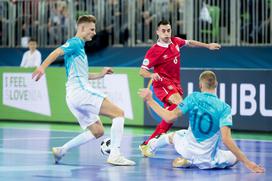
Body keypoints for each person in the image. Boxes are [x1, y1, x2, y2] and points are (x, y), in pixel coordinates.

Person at [32, 15, 135, 166]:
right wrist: (42, 67)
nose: (94, 32)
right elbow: (57, 52)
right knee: (119, 113)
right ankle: (115, 154)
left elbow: (82, 75)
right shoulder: (74, 42)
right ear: (82, 28)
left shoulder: (79, 48)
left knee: (97, 131)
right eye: (92, 29)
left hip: (73, 96)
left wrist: (100, 74)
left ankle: (62, 150)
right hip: (80, 92)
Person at [138, 71, 265, 173]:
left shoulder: (193, 97)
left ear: (200, 85)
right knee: (236, 157)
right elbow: (226, 140)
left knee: (172, 136)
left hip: (186, 149)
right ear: (216, 84)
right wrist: (248, 163)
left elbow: (169, 117)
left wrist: (150, 100)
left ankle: (150, 147)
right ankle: (190, 161)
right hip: (208, 161)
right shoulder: (224, 107)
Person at [139, 20, 221, 153]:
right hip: (162, 84)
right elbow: (142, 71)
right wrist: (151, 75)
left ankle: (148, 143)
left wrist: (207, 46)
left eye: (168, 30)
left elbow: (190, 42)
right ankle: (154, 142)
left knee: (172, 115)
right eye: (163, 31)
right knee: (180, 104)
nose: (166, 33)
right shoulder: (154, 51)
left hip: (175, 84)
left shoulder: (175, 41)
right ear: (157, 32)